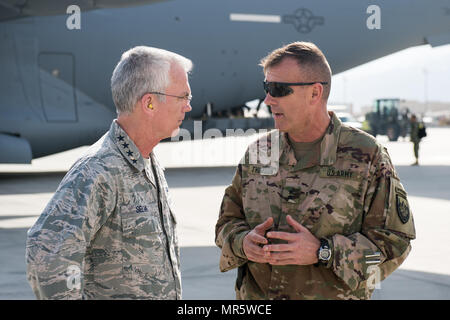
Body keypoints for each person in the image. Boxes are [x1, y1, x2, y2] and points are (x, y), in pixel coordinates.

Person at [215, 42, 415, 300]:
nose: (267, 99)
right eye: (266, 88)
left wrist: (324, 251)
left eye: (278, 89)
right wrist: (243, 242)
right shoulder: (259, 153)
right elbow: (226, 223)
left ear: (315, 93)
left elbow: (395, 243)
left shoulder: (367, 156)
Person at [26, 46, 193, 299]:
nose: (188, 107)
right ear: (149, 102)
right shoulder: (99, 170)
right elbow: (47, 255)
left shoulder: (148, 161)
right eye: (183, 97)